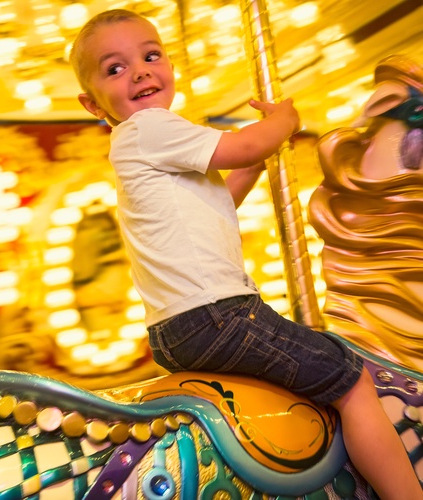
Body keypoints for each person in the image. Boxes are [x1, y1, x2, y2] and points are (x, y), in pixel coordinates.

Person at [70, 9, 422, 499]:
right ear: (92, 103)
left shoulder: (142, 146)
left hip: (179, 330)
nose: (141, 70)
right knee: (352, 380)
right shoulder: (149, 127)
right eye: (116, 68)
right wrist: (283, 121)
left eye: (151, 55)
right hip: (219, 315)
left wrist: (256, 157)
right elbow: (244, 145)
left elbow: (221, 197)